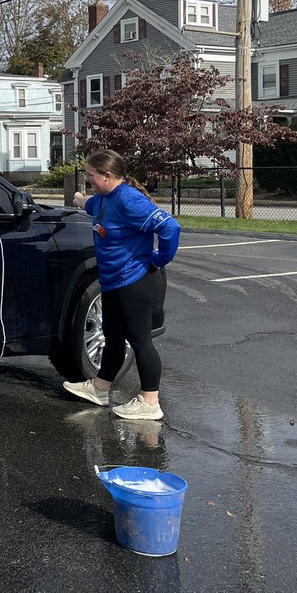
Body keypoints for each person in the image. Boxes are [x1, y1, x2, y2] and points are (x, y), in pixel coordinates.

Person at [63, 149, 181, 421]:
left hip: (135, 280)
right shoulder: (105, 198)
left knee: (140, 341)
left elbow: (170, 228)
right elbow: (89, 205)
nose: (88, 180)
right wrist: (80, 199)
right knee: (113, 336)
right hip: (113, 281)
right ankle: (100, 388)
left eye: (91, 177)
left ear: (107, 175)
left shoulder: (129, 200)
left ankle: (150, 402)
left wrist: (160, 258)